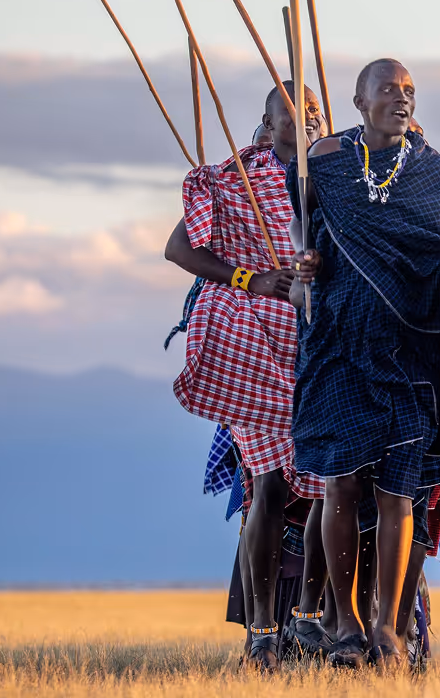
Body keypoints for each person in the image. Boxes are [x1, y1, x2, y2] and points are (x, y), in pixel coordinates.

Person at [290, 58, 440, 668]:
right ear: (359, 101)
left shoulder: (432, 170)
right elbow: (308, 234)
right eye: (388, 90)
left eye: (409, 91)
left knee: (399, 492)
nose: (402, 99)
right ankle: (346, 622)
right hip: (339, 343)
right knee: (343, 484)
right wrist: (306, 264)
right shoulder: (323, 161)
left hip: (410, 352)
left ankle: (388, 626)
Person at [165, 82, 327, 670]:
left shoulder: (332, 174)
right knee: (270, 487)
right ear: (265, 121)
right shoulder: (235, 177)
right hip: (250, 349)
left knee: (324, 489)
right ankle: (261, 629)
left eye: (312, 108)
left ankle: (309, 620)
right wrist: (250, 279)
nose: (304, 117)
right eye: (290, 110)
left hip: (316, 346)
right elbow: (179, 248)